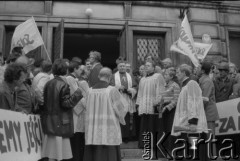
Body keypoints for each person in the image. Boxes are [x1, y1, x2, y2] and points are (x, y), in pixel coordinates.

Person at [41, 58, 83, 161]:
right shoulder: (64, 84)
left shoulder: (48, 83)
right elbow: (66, 104)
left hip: (49, 121)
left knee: (50, 154)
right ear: (66, 70)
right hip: (60, 123)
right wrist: (78, 93)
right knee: (59, 154)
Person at [84, 67, 127, 161]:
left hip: (93, 126)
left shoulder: (89, 91)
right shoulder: (112, 90)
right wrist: (121, 118)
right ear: (110, 77)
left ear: (99, 76)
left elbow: (85, 107)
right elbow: (121, 108)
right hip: (108, 125)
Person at [171, 64, 209, 161]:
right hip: (185, 123)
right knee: (189, 151)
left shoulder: (191, 83)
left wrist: (193, 122)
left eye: (178, 72)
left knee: (194, 151)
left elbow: (193, 103)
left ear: (184, 73)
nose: (176, 74)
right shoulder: (185, 85)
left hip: (191, 125)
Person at [136, 60, 165, 159]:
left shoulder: (158, 77)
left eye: (148, 66)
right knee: (146, 129)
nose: (146, 67)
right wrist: (138, 104)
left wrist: (157, 103)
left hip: (153, 107)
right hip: (144, 106)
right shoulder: (142, 79)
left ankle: (154, 152)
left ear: (153, 67)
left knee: (153, 128)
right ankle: (147, 150)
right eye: (145, 66)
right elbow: (140, 92)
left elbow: (160, 90)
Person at [110, 60, 137, 143]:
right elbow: (110, 87)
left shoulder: (130, 76)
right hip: (118, 99)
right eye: (120, 66)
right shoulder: (114, 76)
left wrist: (131, 90)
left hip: (128, 98)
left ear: (126, 67)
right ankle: (120, 135)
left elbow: (136, 87)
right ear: (117, 67)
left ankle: (127, 136)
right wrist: (118, 87)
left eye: (123, 66)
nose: (122, 67)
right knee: (118, 116)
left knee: (128, 117)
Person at [66, 60, 88, 161]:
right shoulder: (70, 78)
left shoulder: (75, 79)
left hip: (78, 112)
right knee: (76, 137)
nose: (81, 71)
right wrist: (87, 104)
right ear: (74, 69)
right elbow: (76, 94)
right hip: (76, 112)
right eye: (79, 69)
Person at [159, 67, 180, 155]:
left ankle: (172, 151)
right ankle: (165, 150)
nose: (164, 76)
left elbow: (176, 100)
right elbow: (162, 98)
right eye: (164, 75)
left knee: (170, 130)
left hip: (171, 111)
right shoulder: (164, 85)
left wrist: (167, 107)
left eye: (166, 75)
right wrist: (160, 106)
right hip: (164, 111)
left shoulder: (175, 85)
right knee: (165, 131)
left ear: (171, 77)